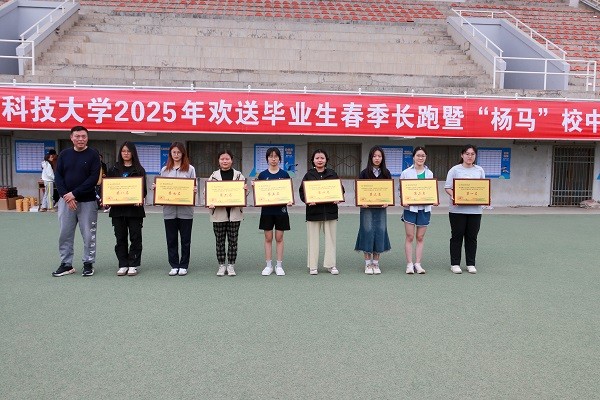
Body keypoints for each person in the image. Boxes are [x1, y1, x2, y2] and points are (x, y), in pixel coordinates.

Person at [52, 126, 101, 277]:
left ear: (87, 138)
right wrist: (66, 196)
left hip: (87, 201)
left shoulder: (93, 155)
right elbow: (58, 176)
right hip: (66, 202)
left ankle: (88, 263)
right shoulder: (64, 154)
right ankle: (66, 264)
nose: (80, 139)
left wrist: (74, 194)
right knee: (65, 234)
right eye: (77, 136)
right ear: (71, 138)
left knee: (89, 234)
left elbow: (93, 179)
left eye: (83, 136)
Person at [299, 148, 343, 275]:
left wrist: (338, 198)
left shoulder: (332, 174)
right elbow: (302, 192)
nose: (319, 160)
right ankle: (313, 266)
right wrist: (307, 201)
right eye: (317, 158)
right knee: (312, 240)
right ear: (313, 160)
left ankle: (331, 265)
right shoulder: (308, 175)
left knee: (331, 240)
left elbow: (340, 189)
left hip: (330, 212)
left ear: (326, 160)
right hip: (313, 212)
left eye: (322, 158)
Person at [444, 144, 486, 274]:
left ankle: (470, 264)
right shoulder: (454, 170)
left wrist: (485, 197)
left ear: (475, 156)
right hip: (457, 210)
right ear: (462, 155)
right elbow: (448, 187)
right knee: (457, 236)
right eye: (467, 154)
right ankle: (455, 264)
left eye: (472, 154)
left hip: (475, 210)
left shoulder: (479, 170)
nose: (470, 156)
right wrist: (455, 196)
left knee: (472, 237)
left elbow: (483, 188)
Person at [107, 142, 147, 277]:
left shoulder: (139, 170)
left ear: (133, 153)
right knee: (120, 238)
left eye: (129, 151)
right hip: (117, 211)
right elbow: (108, 189)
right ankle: (123, 264)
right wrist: (107, 200)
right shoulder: (113, 169)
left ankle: (133, 264)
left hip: (135, 211)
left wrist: (140, 198)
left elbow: (143, 191)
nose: (126, 153)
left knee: (135, 238)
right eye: (123, 151)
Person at [158, 142, 197, 276]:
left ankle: (184, 265)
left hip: (186, 211)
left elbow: (194, 187)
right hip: (169, 211)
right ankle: (174, 265)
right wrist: (157, 189)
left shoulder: (190, 169)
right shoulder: (164, 170)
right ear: (170, 153)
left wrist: (194, 190)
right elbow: (161, 188)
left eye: (179, 152)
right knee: (171, 239)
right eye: (174, 152)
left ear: (183, 154)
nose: (176, 155)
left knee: (185, 240)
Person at [207, 150, 246, 277]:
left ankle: (231, 265)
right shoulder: (213, 176)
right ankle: (221, 265)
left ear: (232, 160)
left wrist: (245, 190)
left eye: (227, 159)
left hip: (235, 214)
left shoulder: (239, 176)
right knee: (219, 241)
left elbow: (245, 194)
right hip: (218, 214)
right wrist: (209, 202)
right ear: (218, 161)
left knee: (233, 241)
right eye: (222, 159)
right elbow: (206, 192)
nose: (225, 161)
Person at [354, 146, 391, 275]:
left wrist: (387, 201)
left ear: (382, 158)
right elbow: (359, 191)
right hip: (367, 209)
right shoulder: (364, 173)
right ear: (370, 158)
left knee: (380, 231)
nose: (377, 158)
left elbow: (389, 191)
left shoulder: (386, 173)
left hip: (381, 209)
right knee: (367, 231)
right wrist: (361, 201)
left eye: (379, 156)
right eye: (374, 156)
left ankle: (375, 263)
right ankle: (367, 264)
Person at [255, 147, 291, 276]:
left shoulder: (284, 174)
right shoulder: (262, 175)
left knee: (279, 238)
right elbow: (258, 194)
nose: (273, 159)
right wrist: (255, 190)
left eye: (276, 156)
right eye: (271, 156)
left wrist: (289, 200)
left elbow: (288, 193)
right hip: (267, 211)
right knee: (268, 238)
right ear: (267, 159)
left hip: (281, 211)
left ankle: (279, 265)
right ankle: (268, 265)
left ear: (279, 159)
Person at [400, 146, 436, 274]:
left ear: (426, 157)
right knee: (410, 236)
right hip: (410, 208)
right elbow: (401, 190)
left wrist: (434, 199)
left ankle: (418, 264)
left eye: (423, 156)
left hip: (424, 209)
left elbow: (431, 190)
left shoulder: (429, 173)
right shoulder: (406, 172)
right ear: (413, 157)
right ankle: (409, 264)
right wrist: (403, 200)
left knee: (420, 237)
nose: (420, 158)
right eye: (418, 155)